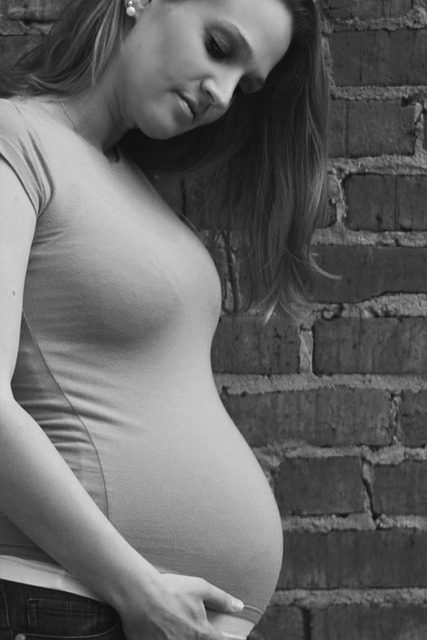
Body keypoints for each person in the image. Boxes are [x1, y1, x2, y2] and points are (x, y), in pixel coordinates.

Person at [0, 1, 328, 639]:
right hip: (80, 601)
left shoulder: (128, 177)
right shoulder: (17, 140)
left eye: (245, 85)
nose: (222, 95)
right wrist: (138, 589)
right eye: (219, 47)